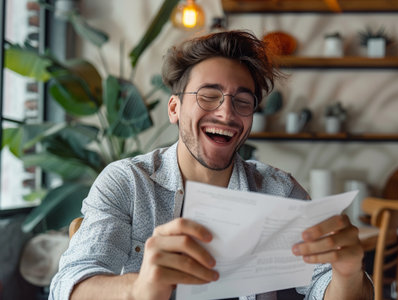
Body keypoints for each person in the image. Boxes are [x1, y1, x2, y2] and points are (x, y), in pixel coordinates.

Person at [49, 30, 374, 300]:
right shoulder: (128, 182)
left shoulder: (278, 191)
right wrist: (139, 289)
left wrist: (347, 273)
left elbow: (324, 286)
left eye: (242, 101)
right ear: (174, 108)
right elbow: (70, 286)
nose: (226, 113)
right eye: (208, 95)